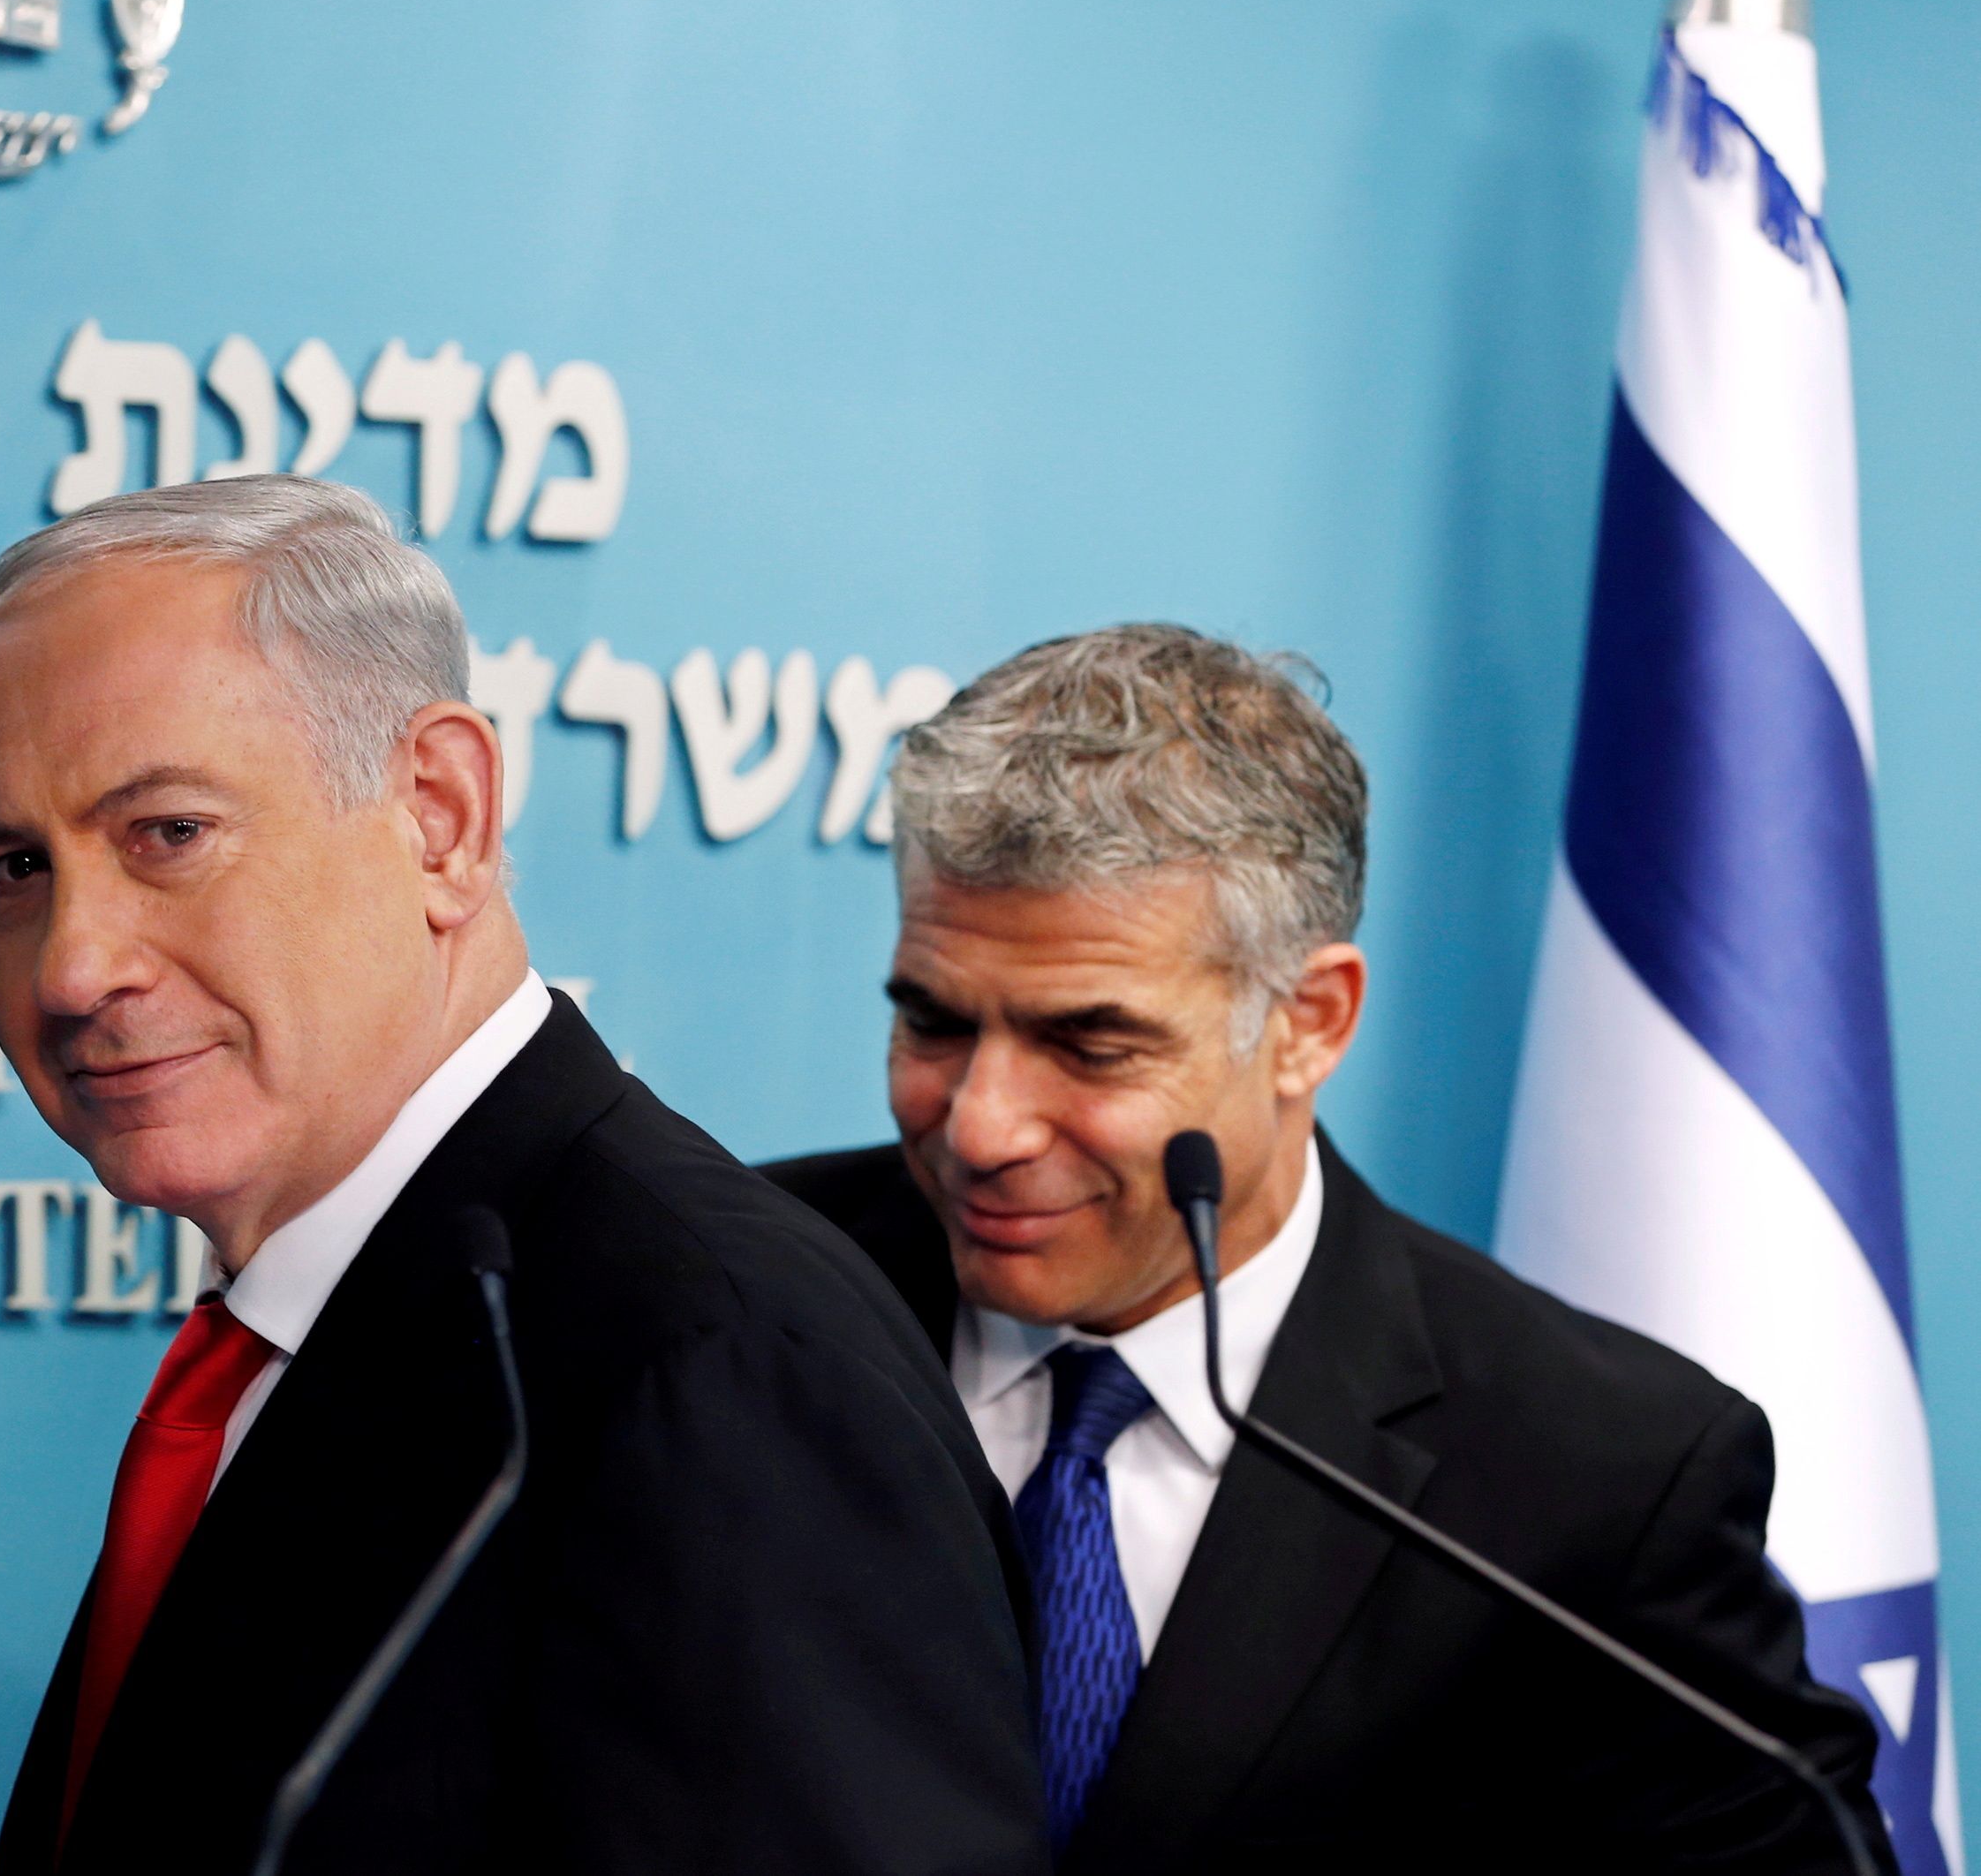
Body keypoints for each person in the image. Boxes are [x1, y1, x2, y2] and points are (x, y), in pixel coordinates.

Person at [0, 475, 1047, 1876]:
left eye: (168, 834)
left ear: (440, 817)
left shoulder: (717, 1368)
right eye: (15, 867)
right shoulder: (336, 1316)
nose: (74, 964)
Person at [763, 624, 1892, 1874]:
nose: (981, 1126)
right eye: (934, 1021)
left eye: (1090, 1046)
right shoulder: (733, 1299)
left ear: (1309, 1022)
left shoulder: (1598, 1477)